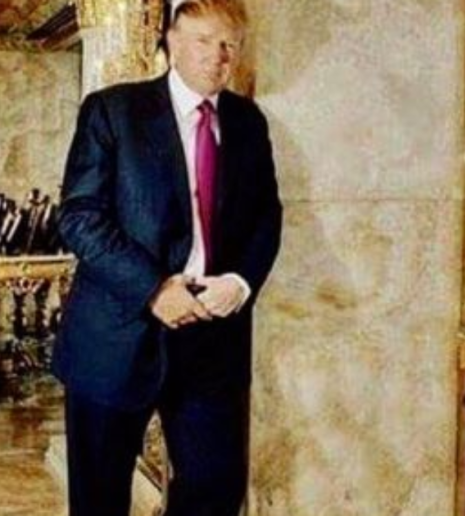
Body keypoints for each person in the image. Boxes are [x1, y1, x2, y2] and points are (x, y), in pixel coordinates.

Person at [53, 0, 282, 514]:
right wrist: (155, 289)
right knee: (99, 502)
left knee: (216, 488)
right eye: (203, 40)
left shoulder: (248, 122)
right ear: (172, 42)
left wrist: (241, 283)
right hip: (115, 338)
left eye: (229, 45)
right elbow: (80, 217)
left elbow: (266, 217)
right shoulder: (113, 111)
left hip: (211, 341)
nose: (218, 56)